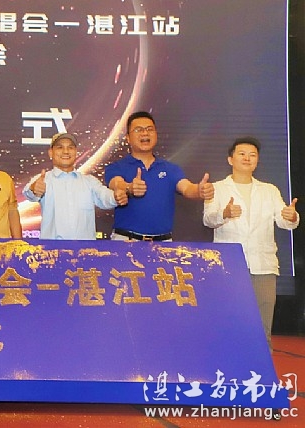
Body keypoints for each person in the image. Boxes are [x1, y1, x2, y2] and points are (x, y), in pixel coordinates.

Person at [203, 137, 299, 349]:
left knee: (263, 324)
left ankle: (262, 365)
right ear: (230, 159)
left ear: (257, 161)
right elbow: (208, 219)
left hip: (263, 265)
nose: (247, 158)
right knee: (228, 319)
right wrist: (224, 213)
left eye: (252, 155)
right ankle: (227, 362)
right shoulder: (217, 189)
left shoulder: (269, 190)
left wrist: (291, 216)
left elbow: (284, 221)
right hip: (229, 265)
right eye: (242, 154)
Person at [104, 111, 214, 241]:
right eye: (138, 130)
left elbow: (187, 188)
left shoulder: (170, 169)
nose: (145, 133)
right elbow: (116, 183)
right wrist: (129, 187)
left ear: (156, 134)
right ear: (128, 138)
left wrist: (199, 191)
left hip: (163, 243)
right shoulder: (116, 167)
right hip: (126, 241)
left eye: (149, 129)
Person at [23, 133, 128, 240]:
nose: (66, 151)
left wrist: (116, 197)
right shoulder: (44, 179)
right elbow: (28, 193)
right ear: (51, 153)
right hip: (52, 248)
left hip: (85, 248)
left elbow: (104, 196)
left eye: (70, 147)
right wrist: (34, 189)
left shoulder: (89, 181)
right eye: (60, 147)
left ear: (76, 152)